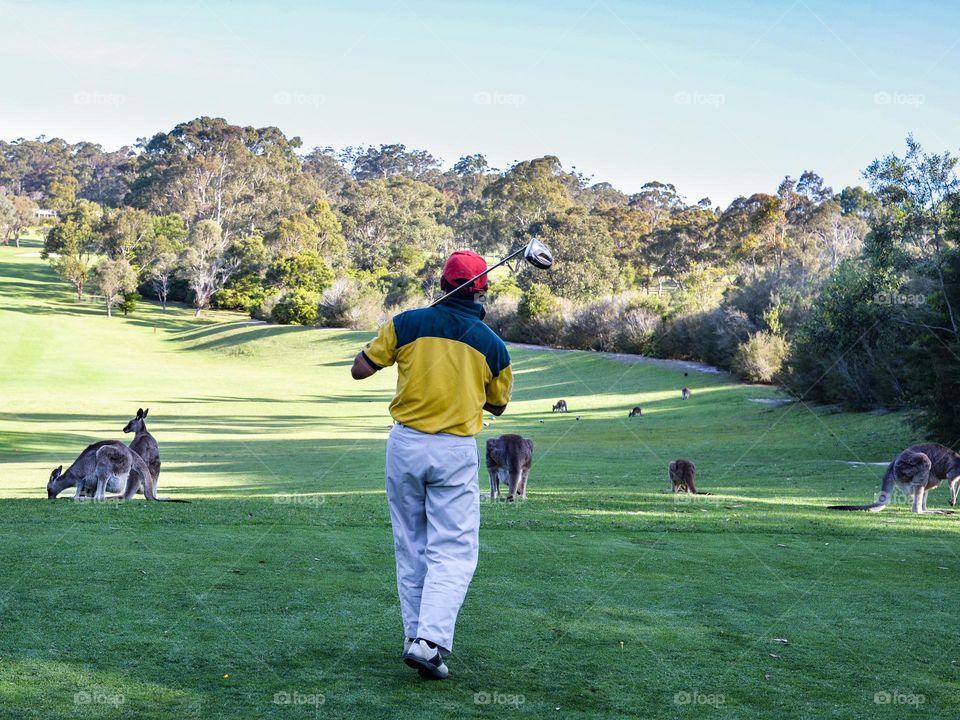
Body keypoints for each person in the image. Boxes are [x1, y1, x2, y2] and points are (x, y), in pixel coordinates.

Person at [350, 250, 512, 680]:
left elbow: (359, 369)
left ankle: (416, 639)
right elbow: (497, 406)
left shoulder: (406, 323)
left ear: (442, 284)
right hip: (454, 449)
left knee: (412, 544)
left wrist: (392, 348)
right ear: (483, 289)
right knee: (454, 551)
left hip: (404, 444)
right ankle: (428, 642)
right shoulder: (492, 344)